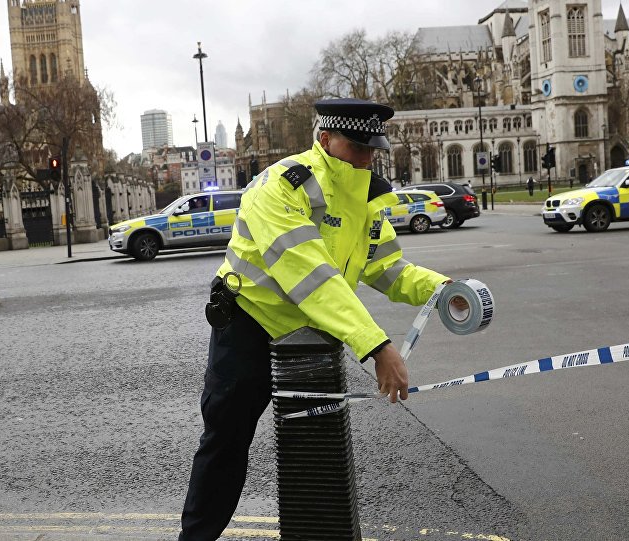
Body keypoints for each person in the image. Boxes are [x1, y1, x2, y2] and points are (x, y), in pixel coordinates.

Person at [179, 98, 461, 540]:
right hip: (249, 326)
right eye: (357, 147)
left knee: (314, 451)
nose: (368, 158)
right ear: (325, 139)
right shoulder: (281, 186)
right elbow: (312, 275)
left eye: (374, 148)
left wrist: (444, 290)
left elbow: (388, 268)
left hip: (310, 338)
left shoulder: (365, 197)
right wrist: (376, 345)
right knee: (226, 444)